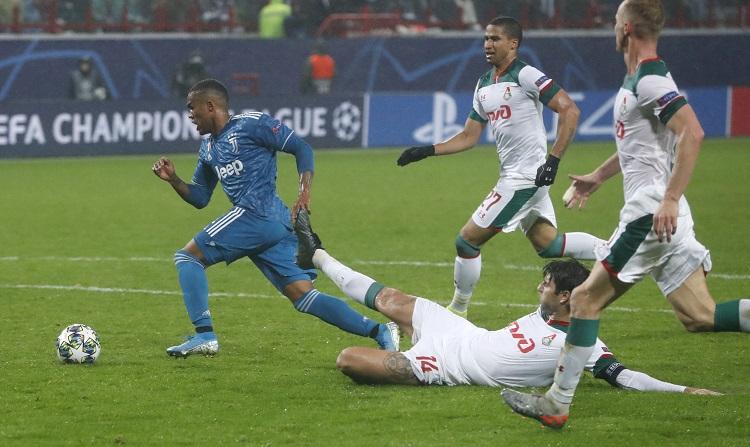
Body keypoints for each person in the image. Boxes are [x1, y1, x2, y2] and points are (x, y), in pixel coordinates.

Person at [501, 0, 750, 429]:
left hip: (650, 213)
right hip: (666, 212)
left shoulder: (651, 79)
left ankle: (556, 404)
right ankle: (556, 403)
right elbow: (640, 146)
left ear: (628, 29)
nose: (612, 27)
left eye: (616, 20)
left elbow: (692, 133)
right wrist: (599, 176)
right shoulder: (639, 78)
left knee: (584, 299)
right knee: (699, 316)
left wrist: (669, 198)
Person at [293, 215, 718, 395]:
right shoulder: (549, 310)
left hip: (447, 367)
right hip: (460, 333)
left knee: (349, 360)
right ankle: (317, 254)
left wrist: (682, 390)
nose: (539, 288)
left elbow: (625, 377)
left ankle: (397, 347)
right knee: (390, 299)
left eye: (546, 285)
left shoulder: (584, 343)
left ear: (565, 297)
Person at [151, 79, 398, 357]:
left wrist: (304, 192)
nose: (189, 115)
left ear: (210, 106)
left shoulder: (251, 124)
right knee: (303, 296)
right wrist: (174, 179)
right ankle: (380, 331)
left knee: (187, 258)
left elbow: (301, 148)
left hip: (257, 213)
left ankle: (205, 335)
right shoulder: (208, 147)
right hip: (271, 224)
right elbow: (200, 197)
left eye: (191, 107)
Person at [396, 16, 604, 318]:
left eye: (495, 39)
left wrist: (554, 159)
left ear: (513, 43)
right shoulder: (483, 84)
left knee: (467, 241)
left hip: (524, 179)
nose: (488, 44)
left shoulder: (525, 74)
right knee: (549, 245)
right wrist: (427, 151)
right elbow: (469, 136)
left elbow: (569, 109)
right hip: (518, 177)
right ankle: (616, 250)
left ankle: (458, 310)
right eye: (486, 38)